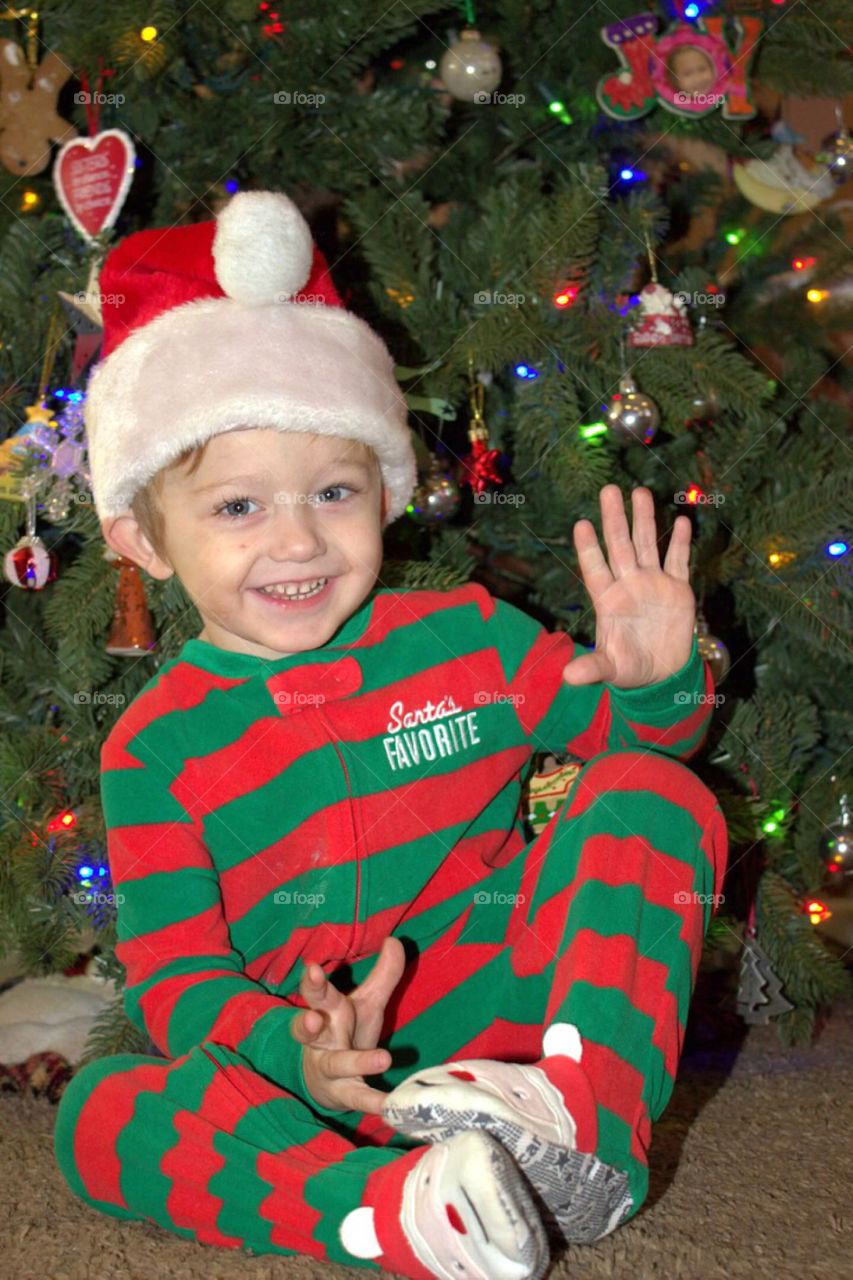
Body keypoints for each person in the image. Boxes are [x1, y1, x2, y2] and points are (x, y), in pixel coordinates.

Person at [53, 190, 728, 1280]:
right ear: (144, 539)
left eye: (334, 491)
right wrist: (294, 1050)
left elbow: (638, 748)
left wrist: (654, 687)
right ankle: (394, 1210)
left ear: (386, 492)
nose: (298, 542)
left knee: (654, 793)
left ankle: (586, 1124)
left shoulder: (467, 637)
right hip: (313, 1076)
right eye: (237, 507)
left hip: (513, 1033)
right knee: (99, 1110)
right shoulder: (152, 749)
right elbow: (177, 978)